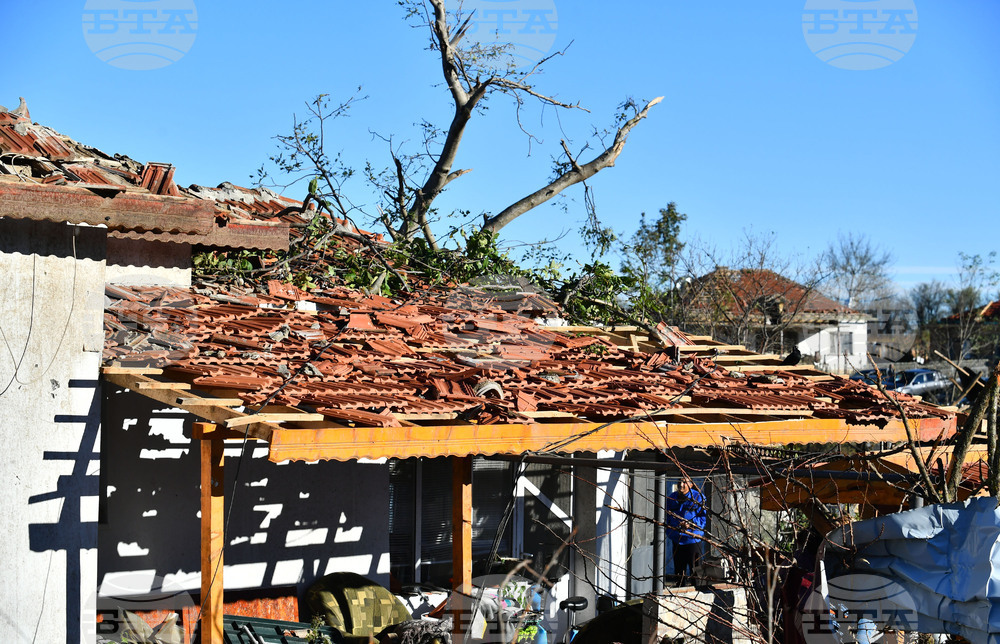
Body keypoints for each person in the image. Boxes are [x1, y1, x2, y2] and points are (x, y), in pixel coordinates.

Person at [665, 476, 707, 583]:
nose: (681, 484)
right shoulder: (671, 499)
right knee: (679, 574)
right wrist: (678, 524)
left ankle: (697, 593)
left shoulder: (699, 498)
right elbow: (667, 518)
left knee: (696, 573)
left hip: (693, 540)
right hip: (677, 540)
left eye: (684, 482)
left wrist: (691, 524)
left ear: (691, 485)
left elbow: (703, 519)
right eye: (679, 481)